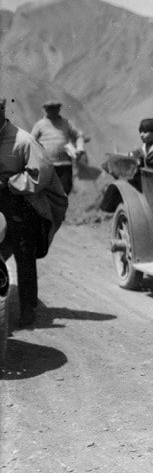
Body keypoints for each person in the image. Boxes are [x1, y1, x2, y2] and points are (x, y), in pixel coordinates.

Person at [0, 95, 68, 327]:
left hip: (19, 203)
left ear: (2, 110)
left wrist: (11, 183)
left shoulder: (23, 140)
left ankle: (27, 310)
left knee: (24, 255)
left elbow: (41, 174)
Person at [30, 100, 85, 196]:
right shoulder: (40, 125)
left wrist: (79, 149)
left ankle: (61, 209)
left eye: (55, 108)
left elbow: (78, 136)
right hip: (47, 164)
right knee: (48, 190)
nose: (52, 111)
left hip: (65, 164)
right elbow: (31, 141)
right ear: (46, 110)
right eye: (50, 109)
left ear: (59, 109)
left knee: (65, 189)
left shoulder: (66, 123)